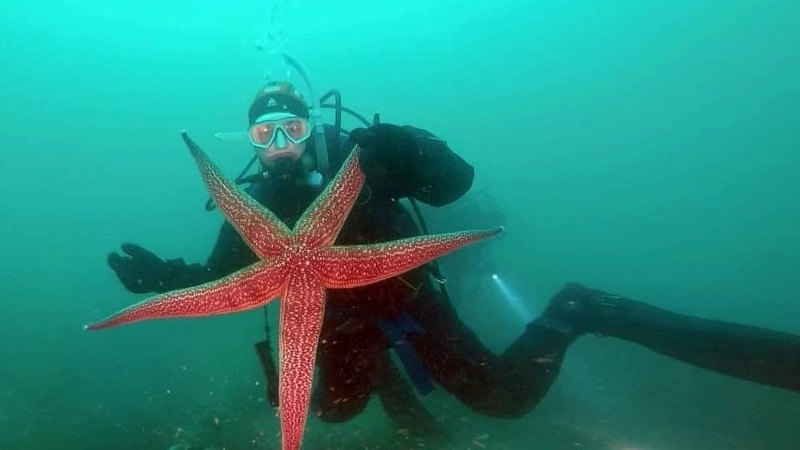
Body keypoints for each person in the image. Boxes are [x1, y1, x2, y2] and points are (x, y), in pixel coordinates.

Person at [108, 81, 800, 437]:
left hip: (408, 304)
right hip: (335, 327)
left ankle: (577, 308)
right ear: (251, 143)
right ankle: (391, 385)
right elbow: (226, 279)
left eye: (291, 127)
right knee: (331, 414)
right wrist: (163, 282)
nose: (280, 143)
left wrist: (411, 146)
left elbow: (455, 187)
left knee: (504, 402)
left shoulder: (364, 163)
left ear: (311, 126)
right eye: (265, 133)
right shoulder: (253, 208)